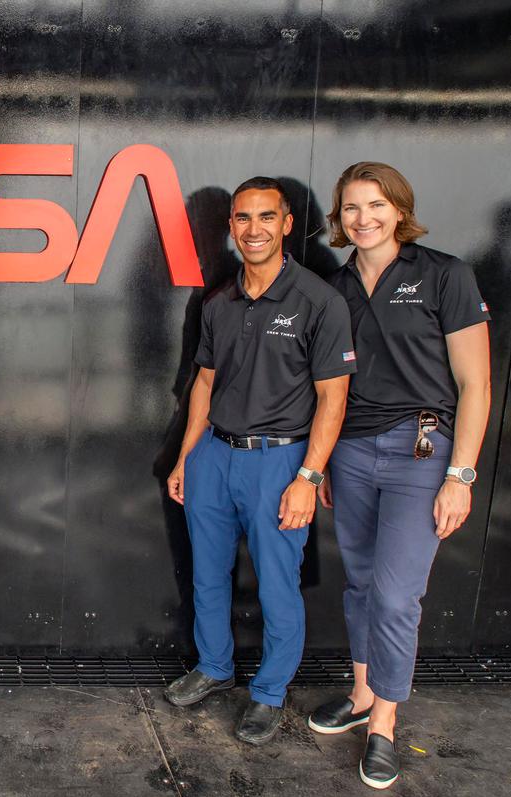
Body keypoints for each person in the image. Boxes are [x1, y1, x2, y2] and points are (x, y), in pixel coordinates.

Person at [306, 162, 490, 790]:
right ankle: (360, 696)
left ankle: (384, 721)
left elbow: (476, 383)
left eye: (376, 205)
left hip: (421, 452)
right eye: (351, 208)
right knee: (359, 584)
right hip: (353, 451)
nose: (364, 218)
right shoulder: (333, 288)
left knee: (394, 594)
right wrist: (322, 461)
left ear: (400, 209)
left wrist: (460, 474)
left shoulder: (445, 274)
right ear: (339, 217)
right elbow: (330, 385)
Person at [163, 177, 355, 745]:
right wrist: (185, 457)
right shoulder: (219, 301)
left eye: (265, 218)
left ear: (287, 223)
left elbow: (334, 398)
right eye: (243, 219)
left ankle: (269, 693)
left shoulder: (319, 301)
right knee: (208, 576)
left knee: (276, 586)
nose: (254, 230)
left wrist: (309, 477)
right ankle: (216, 668)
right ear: (231, 225)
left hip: (280, 462)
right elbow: (203, 383)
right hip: (214, 458)